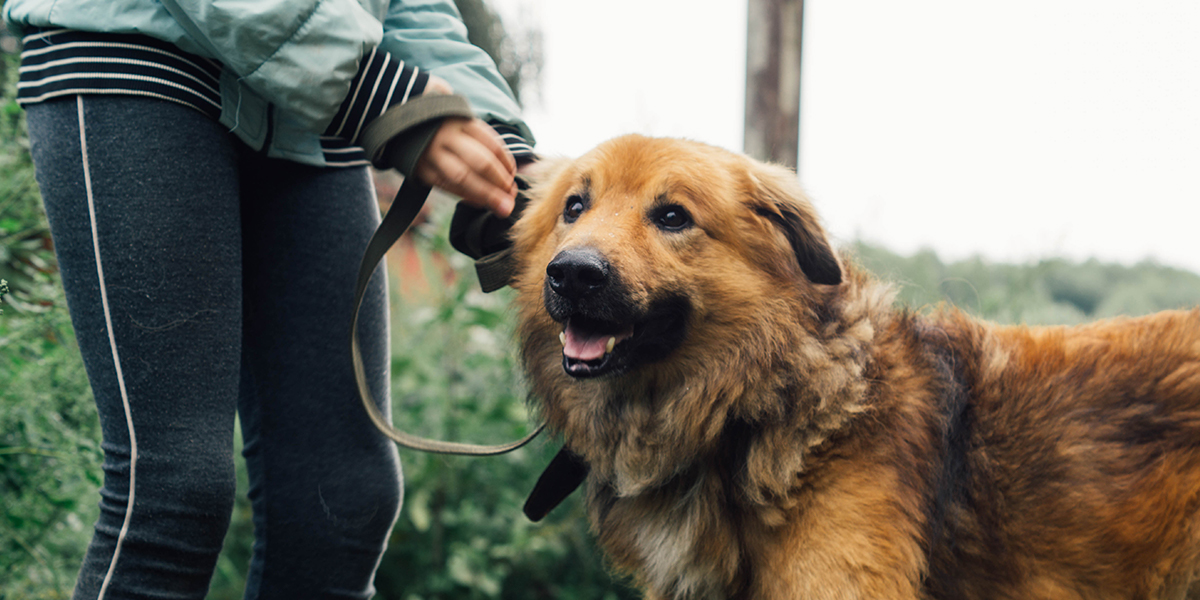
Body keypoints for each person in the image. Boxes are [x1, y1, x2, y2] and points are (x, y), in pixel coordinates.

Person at [2, 0, 534, 597]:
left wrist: (500, 143)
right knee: (177, 493)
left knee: (342, 503)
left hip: (309, 116)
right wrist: (380, 91)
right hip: (145, 54)